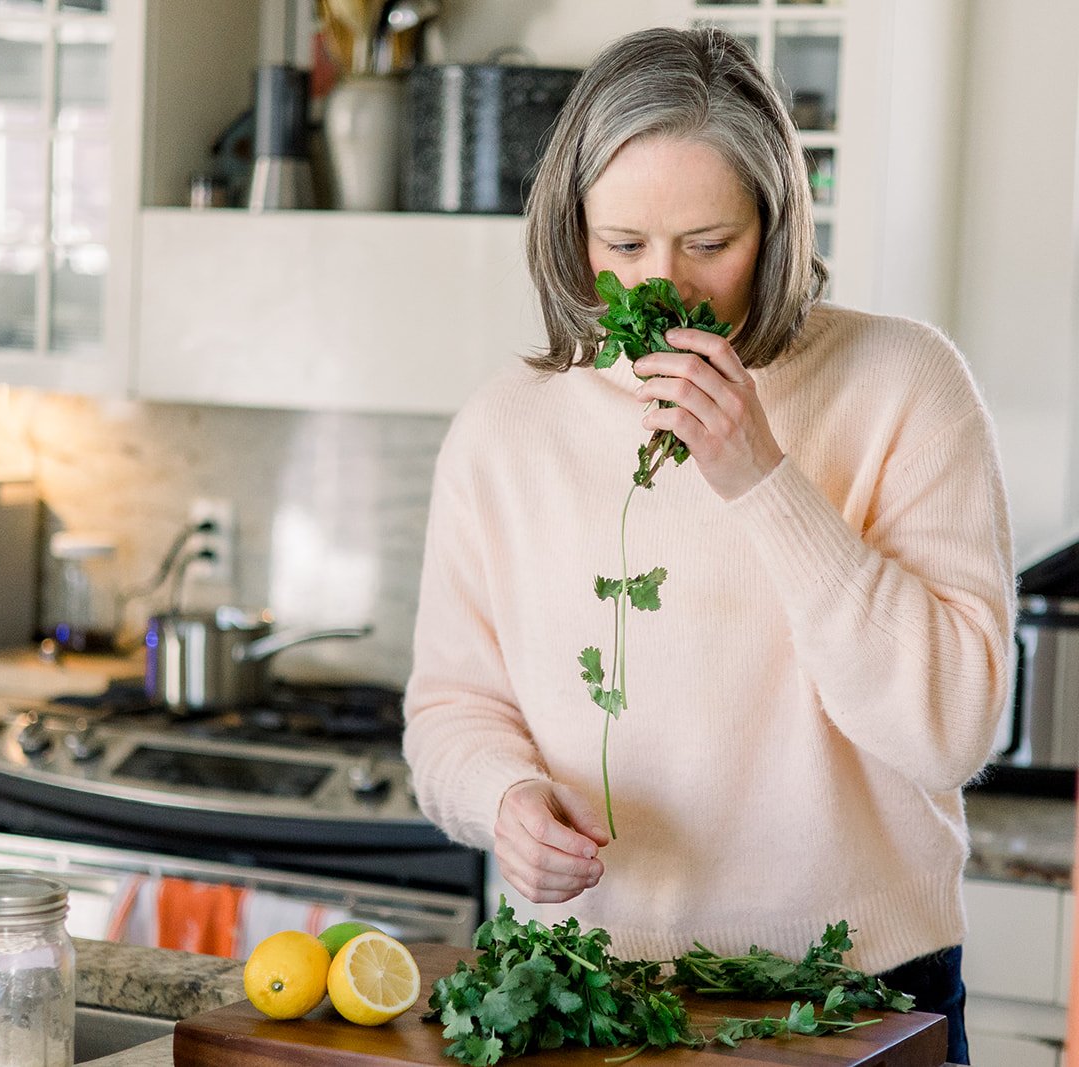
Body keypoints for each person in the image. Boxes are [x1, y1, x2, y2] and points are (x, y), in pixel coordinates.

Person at [403, 26, 1012, 1065]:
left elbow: (952, 727)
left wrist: (762, 479)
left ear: (774, 229)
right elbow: (449, 708)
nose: (664, 288)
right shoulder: (505, 426)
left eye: (708, 243)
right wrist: (502, 799)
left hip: (852, 996)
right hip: (579, 985)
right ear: (571, 232)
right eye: (625, 245)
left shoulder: (907, 383)